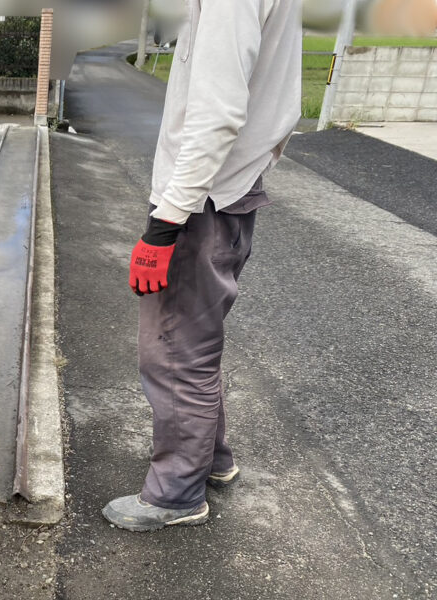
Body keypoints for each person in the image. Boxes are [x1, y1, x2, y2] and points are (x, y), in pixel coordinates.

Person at [102, 0, 302, 532]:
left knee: (172, 353)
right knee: (196, 342)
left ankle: (175, 494)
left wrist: (164, 225)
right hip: (228, 191)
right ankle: (211, 459)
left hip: (201, 202)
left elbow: (217, 115)